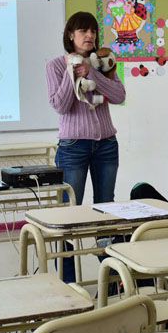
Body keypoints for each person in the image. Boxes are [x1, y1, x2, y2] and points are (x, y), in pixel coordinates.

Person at [46, 11, 125, 206]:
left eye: (93, 31)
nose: (90, 35)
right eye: (83, 30)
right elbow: (60, 106)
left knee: (106, 203)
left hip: (106, 144)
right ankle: (67, 239)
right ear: (71, 35)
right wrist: (70, 69)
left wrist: (92, 73)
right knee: (70, 206)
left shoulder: (103, 61)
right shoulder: (54, 66)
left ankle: (105, 239)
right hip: (73, 146)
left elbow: (119, 96)